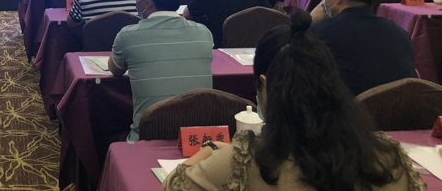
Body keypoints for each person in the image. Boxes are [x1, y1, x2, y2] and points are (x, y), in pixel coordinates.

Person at [162, 10, 425, 191]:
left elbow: (173, 185)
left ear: (265, 85)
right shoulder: (389, 160)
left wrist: (209, 149)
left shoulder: (241, 162)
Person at [109, 0, 213, 142]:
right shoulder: (203, 33)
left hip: (147, 138)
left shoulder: (127, 35)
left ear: (146, 2)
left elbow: (115, 70)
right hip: (196, 139)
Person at [310, 0, 416, 95]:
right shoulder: (400, 33)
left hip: (349, 107)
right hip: (403, 105)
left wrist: (309, 22)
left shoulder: (320, 32)